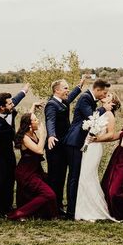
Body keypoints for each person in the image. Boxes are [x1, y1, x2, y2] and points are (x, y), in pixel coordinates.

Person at [63, 78, 110, 219]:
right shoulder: (85, 98)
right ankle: (71, 211)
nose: (105, 95)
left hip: (79, 142)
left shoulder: (89, 98)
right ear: (98, 90)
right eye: (104, 92)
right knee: (74, 176)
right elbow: (92, 118)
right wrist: (104, 109)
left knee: (76, 175)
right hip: (74, 141)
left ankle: (74, 208)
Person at [75, 91, 121, 221]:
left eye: (108, 96)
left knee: (89, 176)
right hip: (88, 146)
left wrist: (96, 139)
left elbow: (111, 135)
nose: (105, 96)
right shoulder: (99, 111)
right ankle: (83, 209)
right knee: (84, 175)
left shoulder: (110, 115)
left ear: (112, 103)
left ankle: (95, 210)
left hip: (95, 147)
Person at [0, 85, 29, 215]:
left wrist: (23, 91)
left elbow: (15, 99)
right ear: (1, 107)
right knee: (0, 179)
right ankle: (0, 208)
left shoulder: (9, 109)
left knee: (11, 176)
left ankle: (9, 205)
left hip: (8, 150)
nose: (12, 105)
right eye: (9, 104)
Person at [45, 76, 85, 214]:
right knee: (55, 177)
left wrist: (79, 87)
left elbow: (70, 97)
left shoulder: (63, 102)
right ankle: (53, 207)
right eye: (65, 88)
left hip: (63, 146)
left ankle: (59, 205)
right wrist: (51, 135)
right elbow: (50, 120)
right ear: (57, 90)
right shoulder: (51, 104)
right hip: (54, 146)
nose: (68, 90)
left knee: (62, 175)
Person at [7, 112, 57, 221]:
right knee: (49, 194)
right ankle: (18, 213)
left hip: (35, 170)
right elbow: (39, 150)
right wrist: (43, 134)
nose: (38, 121)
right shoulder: (25, 137)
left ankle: (39, 214)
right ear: (30, 124)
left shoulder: (33, 133)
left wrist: (33, 107)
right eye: (35, 120)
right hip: (26, 172)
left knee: (40, 191)